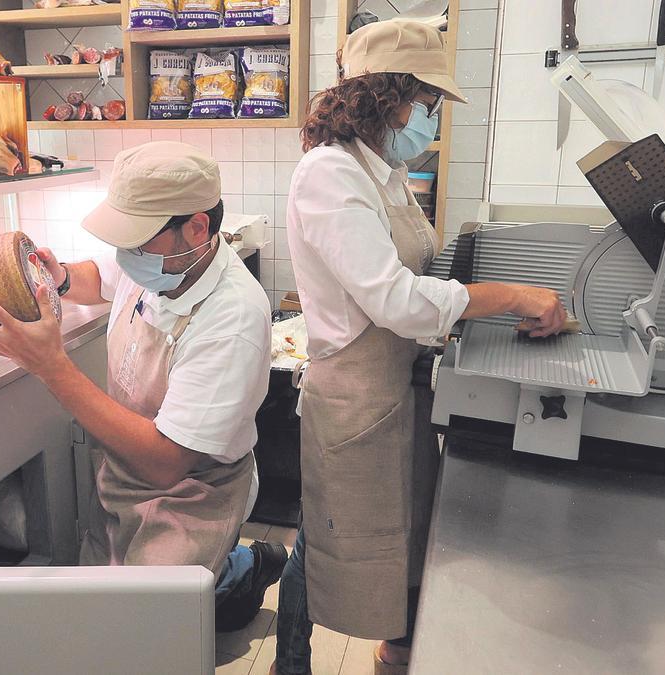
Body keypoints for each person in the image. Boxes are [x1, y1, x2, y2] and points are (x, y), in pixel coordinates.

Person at [275, 21, 568, 674]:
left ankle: (392, 656)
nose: (431, 119)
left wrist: (474, 296)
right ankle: (290, 664)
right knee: (331, 550)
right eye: (429, 104)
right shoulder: (329, 174)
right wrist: (512, 296)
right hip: (356, 403)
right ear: (392, 96)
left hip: (395, 392)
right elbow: (397, 300)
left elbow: (416, 278)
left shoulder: (384, 169)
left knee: (390, 567)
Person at [0, 141, 288, 631]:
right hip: (122, 472)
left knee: (143, 632)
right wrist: (61, 278)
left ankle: (241, 571)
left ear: (197, 227)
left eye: (134, 242)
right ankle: (240, 574)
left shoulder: (232, 316)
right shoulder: (159, 261)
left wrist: (51, 365)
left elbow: (165, 461)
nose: (125, 254)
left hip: (192, 493)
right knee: (105, 606)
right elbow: (101, 278)